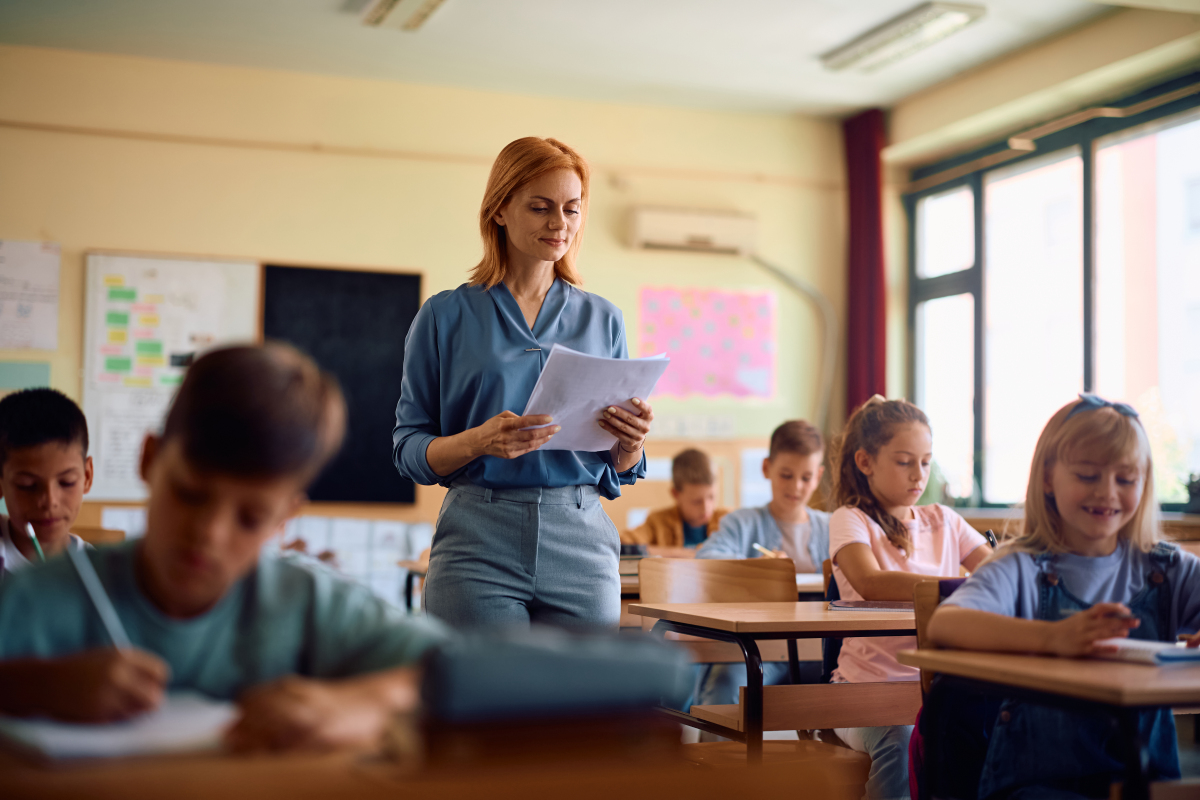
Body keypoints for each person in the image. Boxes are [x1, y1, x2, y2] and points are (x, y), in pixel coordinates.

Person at [0, 344, 448, 753]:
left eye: (250, 518)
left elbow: (475, 672)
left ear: (283, 518)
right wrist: (36, 687)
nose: (210, 533)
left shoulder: (308, 603)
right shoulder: (38, 599)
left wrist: (365, 703)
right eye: (190, 494)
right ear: (150, 460)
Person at [392, 137, 651, 631]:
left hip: (580, 535)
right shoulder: (445, 315)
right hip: (477, 538)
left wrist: (631, 443)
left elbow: (618, 466)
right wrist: (479, 441)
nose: (560, 224)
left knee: (580, 706)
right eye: (540, 207)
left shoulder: (604, 318)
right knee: (484, 703)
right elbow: (409, 450)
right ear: (500, 211)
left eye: (572, 209)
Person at [925, 394, 1200, 799]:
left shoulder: (1167, 569)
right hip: (1038, 786)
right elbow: (946, 623)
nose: (1107, 492)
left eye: (1125, 479)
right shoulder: (1021, 565)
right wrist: (1052, 639)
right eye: (1088, 475)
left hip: (1148, 782)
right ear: (1048, 479)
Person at [829, 396, 990, 800]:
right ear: (865, 462)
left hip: (939, 690)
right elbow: (870, 581)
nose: (918, 474)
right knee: (902, 740)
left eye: (925, 461)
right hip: (863, 691)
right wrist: (953, 585)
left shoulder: (945, 520)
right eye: (904, 462)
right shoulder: (851, 519)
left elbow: (996, 572)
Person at [690, 420, 831, 715]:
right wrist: (759, 571)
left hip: (820, 652)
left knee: (856, 688)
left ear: (818, 476)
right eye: (786, 475)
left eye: (806, 477)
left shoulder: (832, 527)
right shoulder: (742, 522)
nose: (796, 486)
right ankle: (715, 761)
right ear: (766, 468)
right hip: (757, 650)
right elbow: (706, 561)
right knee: (725, 688)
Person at [0, 389, 92, 577]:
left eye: (67, 482)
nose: (50, 501)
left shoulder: (96, 574)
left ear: (87, 476)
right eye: (27, 485)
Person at [622, 448, 728, 548]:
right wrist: (686, 554)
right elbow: (622, 544)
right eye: (697, 501)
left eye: (712, 497)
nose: (706, 508)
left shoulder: (729, 521)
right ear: (675, 494)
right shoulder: (658, 522)